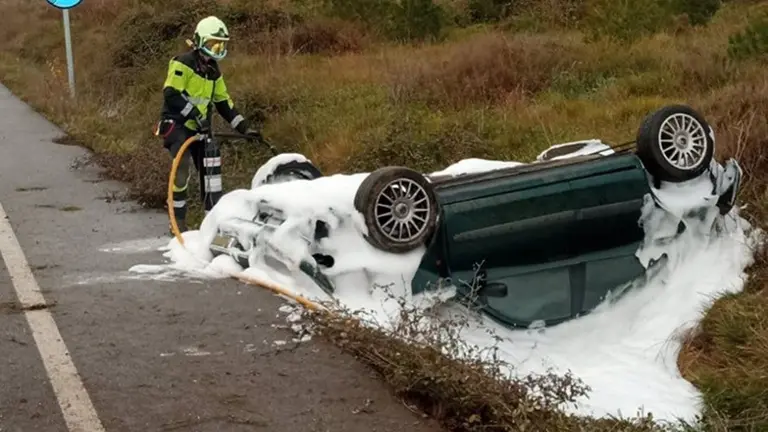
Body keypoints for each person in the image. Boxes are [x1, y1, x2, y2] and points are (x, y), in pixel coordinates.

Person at [154, 15, 261, 233]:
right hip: (177, 124)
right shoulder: (182, 63)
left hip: (201, 128)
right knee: (182, 166)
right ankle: (178, 223)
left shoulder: (214, 73)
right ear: (200, 41)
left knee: (211, 169)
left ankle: (210, 222)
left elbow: (224, 103)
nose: (218, 48)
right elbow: (171, 94)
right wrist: (194, 115)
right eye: (214, 43)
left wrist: (244, 127)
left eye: (221, 44)